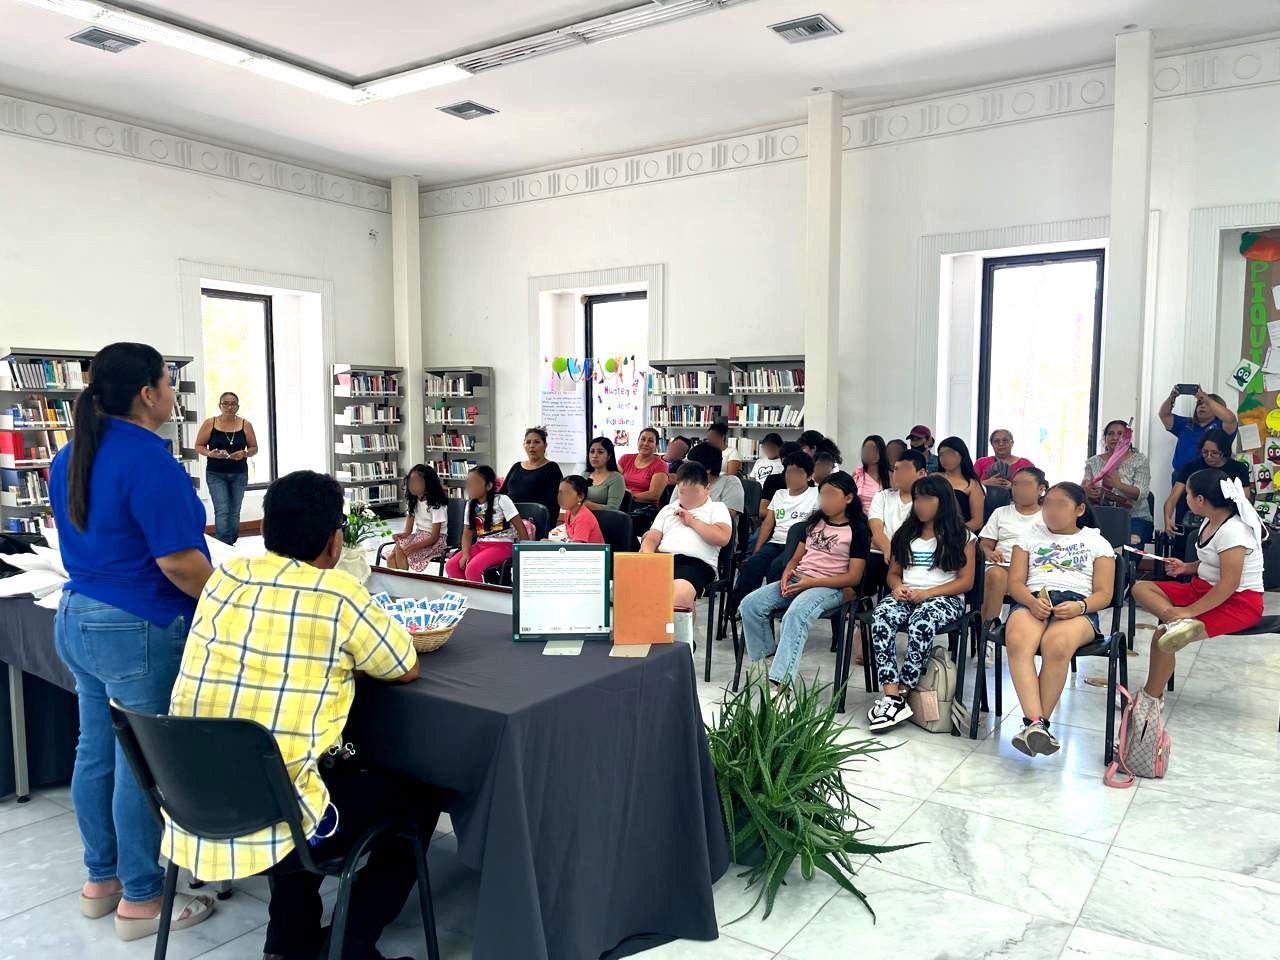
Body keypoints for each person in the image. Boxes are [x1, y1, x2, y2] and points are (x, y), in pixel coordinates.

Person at [166, 470, 434, 960]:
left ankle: (287, 942)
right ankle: (346, 947)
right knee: (419, 792)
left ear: (267, 527)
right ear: (335, 542)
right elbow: (404, 666)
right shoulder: (337, 593)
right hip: (278, 814)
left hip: (194, 797)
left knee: (297, 770)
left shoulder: (224, 578)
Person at [49, 343, 216, 940]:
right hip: (136, 625)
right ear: (148, 393)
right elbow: (179, 562)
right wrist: (229, 603)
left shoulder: (69, 454)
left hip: (77, 616)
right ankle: (143, 898)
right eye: (169, 382)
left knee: (95, 750)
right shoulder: (150, 461)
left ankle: (102, 882)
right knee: (138, 761)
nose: (172, 394)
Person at [1003, 482, 1115, 756]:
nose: (1051, 510)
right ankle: (1036, 724)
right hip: (1034, 599)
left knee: (1057, 644)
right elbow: (1014, 583)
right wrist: (1031, 602)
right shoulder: (1028, 536)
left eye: (1060, 504)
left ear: (1079, 509)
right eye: (1047, 504)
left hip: (1078, 605)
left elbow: (1105, 594)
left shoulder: (1097, 542)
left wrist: (1081, 607)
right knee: (1017, 641)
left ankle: (1035, 725)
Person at [1134, 469, 1264, 699]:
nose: (1186, 499)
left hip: (1238, 603)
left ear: (1201, 500)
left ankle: (1150, 699)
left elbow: (1229, 583)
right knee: (1141, 587)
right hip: (1203, 589)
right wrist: (1186, 567)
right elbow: (1211, 561)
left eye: (1188, 494)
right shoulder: (1210, 520)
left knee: (1163, 638)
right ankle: (1179, 623)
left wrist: (1190, 611)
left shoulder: (1234, 531)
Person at [740, 471, 869, 689]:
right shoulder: (813, 522)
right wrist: (787, 574)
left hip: (831, 586)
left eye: (831, 495)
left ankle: (782, 685)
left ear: (848, 498)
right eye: (823, 495)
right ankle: (770, 662)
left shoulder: (858, 530)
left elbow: (854, 577)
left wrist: (811, 583)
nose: (825, 500)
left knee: (795, 614)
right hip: (800, 579)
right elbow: (795, 559)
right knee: (750, 605)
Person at [866, 474, 976, 731]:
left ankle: (904, 690)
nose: (920, 505)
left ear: (943, 501)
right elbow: (893, 574)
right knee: (881, 616)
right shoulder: (905, 534)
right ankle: (891, 694)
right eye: (917, 499)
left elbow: (966, 582)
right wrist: (897, 587)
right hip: (908, 595)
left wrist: (929, 593)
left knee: (921, 621)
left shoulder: (963, 537)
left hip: (945, 598)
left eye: (927, 499)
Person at [640, 461, 733, 609]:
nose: (688, 498)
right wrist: (648, 554)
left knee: (680, 593)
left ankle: (679, 625)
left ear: (707, 488)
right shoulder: (668, 509)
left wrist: (692, 521)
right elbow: (652, 537)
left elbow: (723, 538)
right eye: (683, 492)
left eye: (694, 492)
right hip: (664, 559)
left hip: (697, 563)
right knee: (631, 587)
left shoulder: (717, 508)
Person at [732, 451, 819, 607]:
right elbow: (767, 524)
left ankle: (776, 607)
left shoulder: (816, 494)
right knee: (752, 565)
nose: (791, 477)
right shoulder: (779, 494)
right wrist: (757, 550)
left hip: (798, 545)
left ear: (809, 476)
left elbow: (815, 527)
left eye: (798, 472)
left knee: (776, 568)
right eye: (789, 472)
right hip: (775, 542)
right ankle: (740, 607)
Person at [978, 466, 1047, 623]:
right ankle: (988, 630)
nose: (1019, 489)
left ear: (1041, 489)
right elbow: (984, 545)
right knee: (995, 575)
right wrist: (990, 553)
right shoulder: (1000, 512)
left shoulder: (1048, 515)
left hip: (1034, 569)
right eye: (1015, 484)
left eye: (1026, 485)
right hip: (1003, 567)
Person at [195, 391, 259, 545]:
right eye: (226, 403)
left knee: (234, 511)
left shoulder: (245, 425)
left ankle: (231, 541)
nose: (229, 407)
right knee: (223, 510)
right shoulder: (210, 423)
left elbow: (254, 448)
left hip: (239, 474)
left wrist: (244, 453)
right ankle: (225, 544)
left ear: (238, 407)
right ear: (220, 405)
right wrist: (210, 453)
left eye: (233, 404)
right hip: (216, 473)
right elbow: (199, 445)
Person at [1164, 428, 1253, 537]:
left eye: (1214, 453)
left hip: (1225, 522)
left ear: (1224, 452)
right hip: (1191, 521)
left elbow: (1244, 499)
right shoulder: (1191, 467)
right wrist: (1167, 519)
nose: (1209, 457)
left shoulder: (1238, 468)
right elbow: (1172, 498)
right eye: (1205, 452)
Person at [444, 465, 527, 581]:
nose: (470, 487)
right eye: (469, 483)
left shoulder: (502, 500)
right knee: (451, 566)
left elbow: (520, 527)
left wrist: (524, 554)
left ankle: (477, 593)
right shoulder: (470, 504)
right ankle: (466, 592)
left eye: (475, 483)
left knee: (472, 568)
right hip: (481, 544)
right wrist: (465, 554)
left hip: (504, 545)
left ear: (488, 486)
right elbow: (467, 533)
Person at [867, 449, 929, 599]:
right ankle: (863, 603)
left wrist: (897, 554)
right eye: (895, 469)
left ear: (921, 473)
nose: (898, 474)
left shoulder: (926, 501)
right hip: (883, 553)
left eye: (905, 469)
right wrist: (891, 552)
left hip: (911, 555)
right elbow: (877, 532)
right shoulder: (882, 496)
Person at [1083, 419, 1153, 545]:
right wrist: (1088, 491)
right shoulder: (1093, 461)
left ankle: (1126, 560)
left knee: (1132, 542)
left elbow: (1141, 494)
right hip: (1100, 515)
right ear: (1105, 438)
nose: (1115, 437)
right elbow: (1084, 486)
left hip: (1134, 517)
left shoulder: (1140, 460)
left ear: (1128, 437)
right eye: (1111, 433)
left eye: (1120, 434)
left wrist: (1118, 485)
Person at [1159, 385, 1239, 477]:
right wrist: (1172, 397)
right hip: (1181, 476)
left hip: (1210, 476)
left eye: (1207, 404)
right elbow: (1164, 415)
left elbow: (1230, 419)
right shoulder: (1186, 423)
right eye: (1200, 403)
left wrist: (1205, 398)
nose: (1202, 406)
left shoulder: (1222, 426)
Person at [388, 464, 449, 572]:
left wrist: (414, 546)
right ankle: (398, 582)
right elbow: (408, 530)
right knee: (391, 557)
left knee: (402, 551)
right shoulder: (413, 501)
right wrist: (402, 535)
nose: (412, 485)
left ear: (428, 483)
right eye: (411, 481)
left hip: (435, 541)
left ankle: (404, 581)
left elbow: (434, 537)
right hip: (419, 535)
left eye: (417, 481)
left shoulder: (436, 505)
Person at [503, 426, 563, 523]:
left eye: (536, 442)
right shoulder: (516, 466)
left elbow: (554, 503)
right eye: (528, 442)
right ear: (524, 445)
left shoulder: (552, 468)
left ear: (545, 445)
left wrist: (547, 525)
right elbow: (502, 493)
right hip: (509, 520)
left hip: (534, 522)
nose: (531, 446)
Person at [936, 436, 985, 533]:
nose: (945, 458)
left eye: (950, 453)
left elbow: (977, 522)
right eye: (941, 455)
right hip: (931, 531)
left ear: (962, 454)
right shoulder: (933, 478)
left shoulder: (972, 484)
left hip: (960, 533)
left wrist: (952, 533)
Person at [687, 441, 745, 516]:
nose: (687, 470)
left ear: (707, 470)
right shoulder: (686, 481)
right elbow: (673, 508)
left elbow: (729, 513)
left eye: (692, 466)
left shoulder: (730, 482)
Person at [549, 475, 605, 544]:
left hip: (586, 551)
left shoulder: (583, 518)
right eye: (560, 492)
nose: (561, 496)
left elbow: (576, 548)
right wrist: (550, 543)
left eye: (567, 492)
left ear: (580, 497)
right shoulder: (569, 513)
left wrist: (552, 545)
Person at [619, 427, 669, 503]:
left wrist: (627, 497)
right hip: (620, 502)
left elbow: (654, 495)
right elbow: (613, 481)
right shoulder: (625, 458)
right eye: (643, 439)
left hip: (644, 506)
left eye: (650, 441)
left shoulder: (661, 465)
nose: (645, 443)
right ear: (638, 442)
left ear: (656, 445)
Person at [758, 441, 804, 519]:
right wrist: (787, 516)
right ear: (782, 460)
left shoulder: (807, 481)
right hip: (777, 521)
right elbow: (762, 511)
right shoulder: (773, 480)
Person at [583, 435, 626, 511]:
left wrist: (586, 505)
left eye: (600, 452)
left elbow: (613, 509)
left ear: (609, 456)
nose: (594, 456)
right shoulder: (585, 475)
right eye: (592, 451)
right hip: (580, 516)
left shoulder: (617, 478)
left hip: (602, 518)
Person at [853, 435, 891, 515]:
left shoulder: (890, 475)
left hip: (882, 519)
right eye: (866, 449)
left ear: (881, 451)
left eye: (873, 449)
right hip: (860, 518)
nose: (869, 452)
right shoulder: (857, 474)